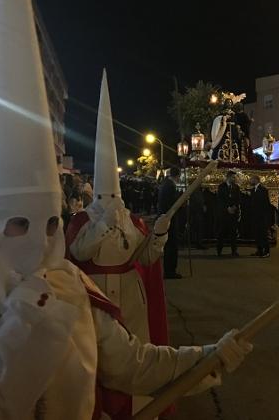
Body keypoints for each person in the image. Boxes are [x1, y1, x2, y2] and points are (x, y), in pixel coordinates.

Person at [0, 0, 251, 416]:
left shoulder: (69, 287)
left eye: (51, 222)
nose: (40, 238)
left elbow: (131, 363)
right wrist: (18, 353)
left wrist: (206, 356)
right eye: (20, 223)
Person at [66, 70, 171, 350]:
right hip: (96, 294)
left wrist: (159, 236)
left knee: (134, 350)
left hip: (132, 296)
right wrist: (103, 224)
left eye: (115, 195)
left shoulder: (133, 222)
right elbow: (79, 253)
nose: (112, 200)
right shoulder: (82, 220)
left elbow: (145, 258)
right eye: (106, 195)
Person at [158, 167, 182, 278]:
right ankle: (170, 271)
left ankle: (170, 270)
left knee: (170, 245)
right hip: (169, 218)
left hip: (167, 217)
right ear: (177, 175)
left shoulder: (166, 184)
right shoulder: (170, 186)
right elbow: (171, 203)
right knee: (172, 245)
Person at [217, 170, 241, 257]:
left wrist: (234, 207)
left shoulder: (236, 187)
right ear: (228, 177)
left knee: (233, 233)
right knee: (221, 232)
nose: (235, 179)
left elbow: (238, 199)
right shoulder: (221, 187)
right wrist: (227, 208)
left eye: (235, 177)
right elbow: (220, 199)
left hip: (233, 214)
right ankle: (219, 250)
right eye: (233, 177)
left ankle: (234, 251)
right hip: (224, 213)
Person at [249, 174, 272, 258]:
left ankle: (266, 251)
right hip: (255, 216)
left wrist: (265, 217)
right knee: (257, 234)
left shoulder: (263, 190)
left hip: (262, 216)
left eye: (251, 179)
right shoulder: (253, 190)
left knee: (263, 234)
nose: (250, 181)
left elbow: (265, 204)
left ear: (256, 180)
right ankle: (259, 250)